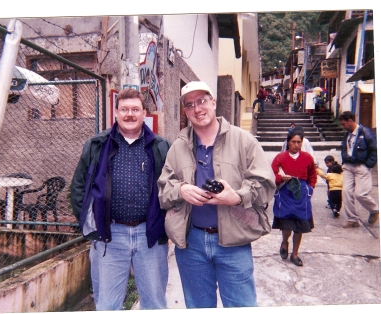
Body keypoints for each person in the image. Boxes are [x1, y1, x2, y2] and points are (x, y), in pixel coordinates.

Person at [157, 81, 276, 308]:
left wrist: (238, 197)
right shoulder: (178, 147)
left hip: (234, 243)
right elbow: (163, 189)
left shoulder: (244, 141)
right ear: (185, 111)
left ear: (213, 102)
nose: (197, 109)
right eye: (189, 105)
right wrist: (181, 190)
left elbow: (266, 185)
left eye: (202, 101)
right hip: (191, 243)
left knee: (242, 307)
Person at [70, 88, 171, 310]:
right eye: (124, 109)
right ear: (116, 113)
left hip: (150, 235)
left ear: (144, 112)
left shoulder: (161, 146)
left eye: (135, 109)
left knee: (155, 303)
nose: (129, 114)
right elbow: (78, 188)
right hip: (110, 235)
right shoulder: (97, 144)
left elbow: (173, 187)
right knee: (107, 305)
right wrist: (92, 222)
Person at [271, 128, 317, 267]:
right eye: (293, 142)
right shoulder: (280, 158)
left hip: (301, 194)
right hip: (286, 193)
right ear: (288, 142)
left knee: (300, 227)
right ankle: (285, 242)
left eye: (299, 142)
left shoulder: (307, 158)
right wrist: (280, 178)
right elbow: (271, 175)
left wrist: (310, 188)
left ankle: (295, 254)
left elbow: (313, 175)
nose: (296, 145)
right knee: (287, 225)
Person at [338, 111, 379, 228]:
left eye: (344, 124)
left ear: (350, 121)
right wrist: (344, 161)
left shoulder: (366, 133)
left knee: (360, 194)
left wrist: (368, 165)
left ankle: (374, 210)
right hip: (348, 166)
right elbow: (345, 148)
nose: (343, 126)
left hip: (361, 166)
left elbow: (375, 150)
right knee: (346, 192)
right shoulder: (347, 134)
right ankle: (352, 219)